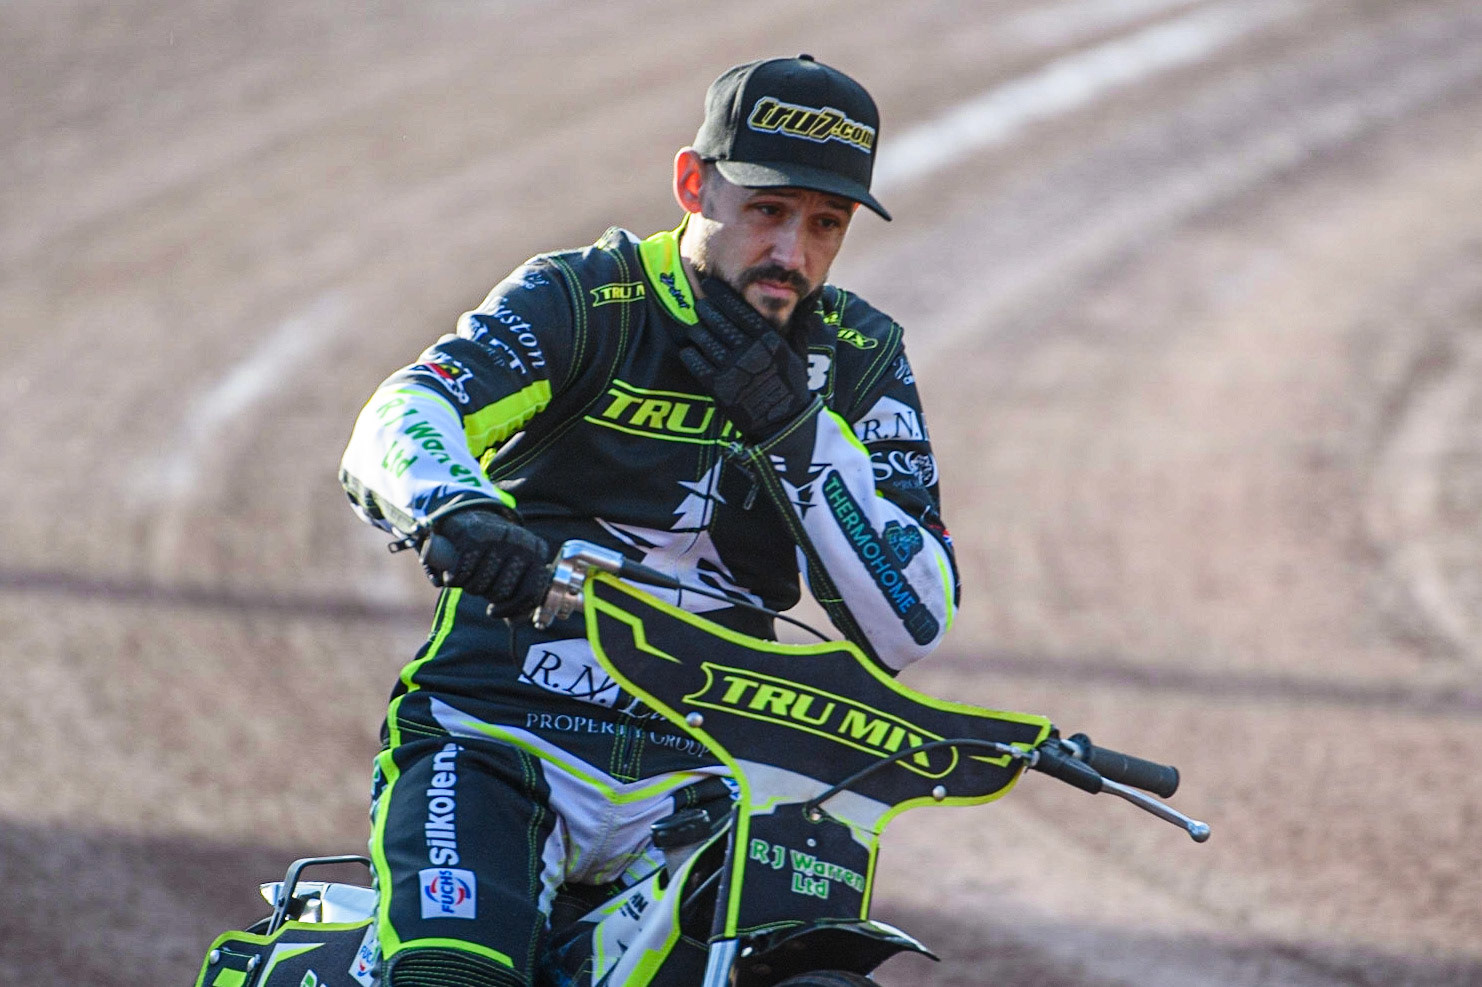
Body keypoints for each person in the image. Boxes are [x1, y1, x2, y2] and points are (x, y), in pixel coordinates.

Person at [338, 54, 960, 987]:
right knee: (451, 977)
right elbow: (402, 413)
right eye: (767, 211)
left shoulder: (862, 355)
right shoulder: (588, 300)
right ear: (692, 183)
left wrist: (797, 434)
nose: (793, 253)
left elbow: (913, 616)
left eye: (824, 223)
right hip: (502, 737)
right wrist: (456, 508)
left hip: (714, 778)